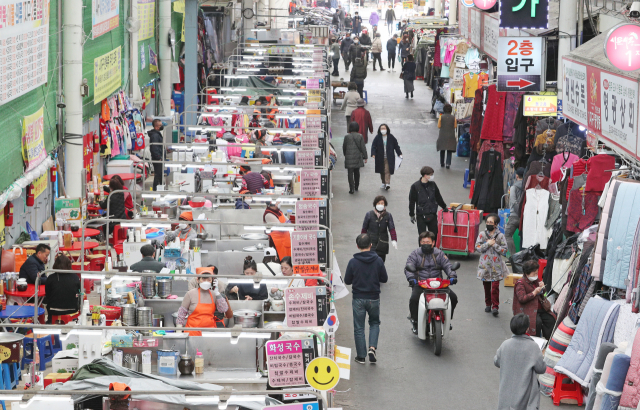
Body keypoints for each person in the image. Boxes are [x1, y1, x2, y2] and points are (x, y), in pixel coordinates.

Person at [344, 234, 388, 364]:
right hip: (374, 298)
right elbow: (384, 279)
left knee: (359, 327)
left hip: (358, 298)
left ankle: (361, 356)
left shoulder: (353, 262)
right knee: (374, 323)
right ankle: (372, 348)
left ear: (357, 246)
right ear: (371, 245)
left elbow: (347, 280)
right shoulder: (378, 260)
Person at [405, 231, 458, 334]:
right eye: (423, 242)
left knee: (453, 298)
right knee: (414, 299)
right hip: (421, 284)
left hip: (439, 285)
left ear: (433, 243)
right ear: (420, 242)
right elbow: (408, 266)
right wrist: (411, 278)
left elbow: (448, 265)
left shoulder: (440, 254)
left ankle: (448, 319)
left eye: (428, 242)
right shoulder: (415, 254)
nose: (426, 244)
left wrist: (452, 276)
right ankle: (415, 321)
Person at [494, 314, 546, 410]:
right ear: (527, 329)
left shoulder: (505, 345)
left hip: (505, 396)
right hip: (524, 397)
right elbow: (541, 368)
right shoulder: (533, 347)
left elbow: (496, 361)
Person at [177, 268, 230, 335]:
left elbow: (223, 309)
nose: (206, 282)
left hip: (209, 333)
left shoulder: (214, 294)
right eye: (203, 279)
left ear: (212, 281)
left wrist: (217, 293)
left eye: (209, 280)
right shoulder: (190, 294)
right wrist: (178, 331)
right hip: (193, 333)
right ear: (198, 280)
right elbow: (181, 313)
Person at [513, 260, 555, 340]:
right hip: (527, 309)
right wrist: (534, 292)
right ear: (527, 273)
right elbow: (522, 298)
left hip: (539, 308)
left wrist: (543, 288)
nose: (536, 275)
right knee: (536, 322)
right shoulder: (520, 283)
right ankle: (535, 340)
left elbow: (543, 293)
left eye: (536, 273)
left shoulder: (536, 280)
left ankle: (548, 340)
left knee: (551, 319)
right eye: (534, 273)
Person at [476, 214, 508, 316]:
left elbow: (504, 250)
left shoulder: (500, 236)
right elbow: (478, 248)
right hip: (484, 266)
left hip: (496, 267)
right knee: (486, 286)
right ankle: (488, 304)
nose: (489, 224)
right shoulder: (482, 234)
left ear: (496, 224)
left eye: (491, 222)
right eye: (487, 222)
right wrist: (488, 244)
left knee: (495, 287)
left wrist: (495, 245)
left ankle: (495, 306)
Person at [408, 166, 448, 237]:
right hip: (421, 215)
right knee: (422, 236)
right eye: (431, 174)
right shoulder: (415, 186)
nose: (432, 176)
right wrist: (412, 214)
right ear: (425, 175)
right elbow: (412, 201)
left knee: (434, 235)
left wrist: (444, 207)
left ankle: (432, 248)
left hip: (432, 214)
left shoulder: (433, 185)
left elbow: (438, 197)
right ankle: (422, 248)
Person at [361, 196, 397, 263]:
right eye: (378, 203)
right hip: (371, 242)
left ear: (384, 204)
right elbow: (364, 229)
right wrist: (362, 240)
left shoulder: (388, 215)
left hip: (383, 243)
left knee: (380, 262)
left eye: (382, 203)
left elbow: (392, 228)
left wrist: (394, 239)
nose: (380, 205)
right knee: (371, 261)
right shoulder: (369, 214)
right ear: (375, 204)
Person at [45, 254, 80, 323]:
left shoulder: (51, 278)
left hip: (54, 310)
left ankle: (50, 322)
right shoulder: (75, 277)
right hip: (72, 309)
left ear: (55, 264)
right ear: (69, 264)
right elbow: (78, 292)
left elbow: (48, 295)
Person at [371, 123, 402, 190]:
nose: (383, 130)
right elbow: (373, 146)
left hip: (389, 157)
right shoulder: (377, 137)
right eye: (381, 128)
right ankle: (383, 182)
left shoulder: (391, 137)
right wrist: (373, 154)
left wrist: (399, 153)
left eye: (384, 128)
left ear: (387, 129)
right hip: (380, 157)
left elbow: (396, 146)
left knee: (387, 170)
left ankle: (387, 183)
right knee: (382, 171)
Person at [504, 167, 525, 256]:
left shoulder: (514, 187)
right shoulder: (526, 187)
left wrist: (518, 212)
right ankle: (522, 256)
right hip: (524, 217)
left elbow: (513, 201)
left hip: (514, 216)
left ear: (517, 176)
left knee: (507, 235)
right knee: (524, 238)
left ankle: (513, 257)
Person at [343, 121, 368, 194]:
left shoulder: (347, 137)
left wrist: (346, 154)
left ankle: (352, 189)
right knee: (357, 172)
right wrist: (365, 157)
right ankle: (356, 186)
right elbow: (363, 147)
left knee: (350, 173)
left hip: (349, 156)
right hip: (357, 157)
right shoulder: (360, 136)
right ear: (357, 128)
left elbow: (344, 147)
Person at [437, 104, 457, 169]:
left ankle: (442, 163)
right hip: (451, 135)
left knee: (442, 149)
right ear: (451, 110)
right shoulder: (453, 118)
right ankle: (448, 164)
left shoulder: (441, 117)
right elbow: (455, 126)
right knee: (449, 150)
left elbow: (439, 126)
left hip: (442, 134)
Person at [148, 119, 164, 191]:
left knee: (159, 175)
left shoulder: (156, 134)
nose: (162, 127)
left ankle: (160, 189)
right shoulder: (155, 135)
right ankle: (156, 190)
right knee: (158, 175)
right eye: (160, 125)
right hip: (157, 158)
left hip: (158, 158)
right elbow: (154, 148)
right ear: (156, 127)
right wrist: (158, 158)